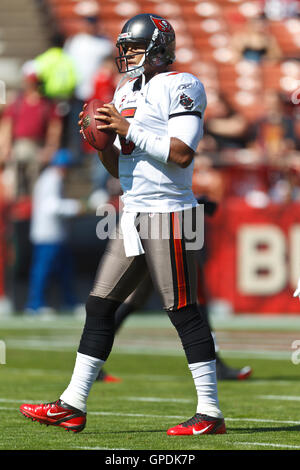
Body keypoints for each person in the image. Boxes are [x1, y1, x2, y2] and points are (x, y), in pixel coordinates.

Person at [20, 13, 226, 436]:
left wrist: (127, 127)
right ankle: (72, 403)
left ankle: (210, 412)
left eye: (132, 47)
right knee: (100, 304)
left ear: (157, 47)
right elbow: (120, 166)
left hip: (170, 210)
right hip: (133, 208)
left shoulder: (182, 85)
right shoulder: (124, 89)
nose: (125, 54)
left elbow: (183, 153)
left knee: (182, 308)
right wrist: (99, 145)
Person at [24, 149, 83, 316]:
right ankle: (35, 305)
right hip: (48, 234)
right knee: (43, 270)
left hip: (56, 235)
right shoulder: (52, 179)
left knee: (65, 270)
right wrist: (76, 207)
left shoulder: (51, 178)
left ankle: (69, 302)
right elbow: (52, 206)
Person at [0, 62, 62, 199]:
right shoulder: (17, 102)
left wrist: (50, 149)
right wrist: (5, 147)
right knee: (16, 186)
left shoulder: (47, 104)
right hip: (19, 147)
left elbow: (54, 129)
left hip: (37, 148)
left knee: (36, 187)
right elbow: (7, 125)